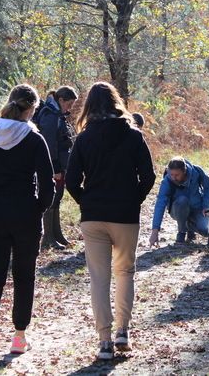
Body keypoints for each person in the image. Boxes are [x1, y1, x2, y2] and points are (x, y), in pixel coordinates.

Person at [65, 82, 156, 360]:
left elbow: (71, 180)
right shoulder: (133, 135)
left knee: (99, 279)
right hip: (125, 215)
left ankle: (104, 341)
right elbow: (149, 176)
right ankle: (123, 333)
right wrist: (133, 200)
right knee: (125, 273)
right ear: (117, 102)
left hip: (93, 216)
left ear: (90, 106)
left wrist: (86, 201)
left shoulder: (84, 138)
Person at [0, 84, 55, 365]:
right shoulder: (34, 138)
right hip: (25, 214)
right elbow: (47, 183)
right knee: (24, 275)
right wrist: (38, 208)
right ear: (32, 109)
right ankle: (18, 336)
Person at [36, 86, 78, 250]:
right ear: (61, 100)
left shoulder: (57, 115)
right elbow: (49, 144)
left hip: (59, 164)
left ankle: (57, 234)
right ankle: (47, 238)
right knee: (52, 199)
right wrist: (55, 169)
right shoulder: (50, 116)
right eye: (69, 103)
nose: (71, 107)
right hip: (54, 166)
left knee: (58, 197)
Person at [149, 157, 209, 246]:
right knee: (182, 200)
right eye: (171, 174)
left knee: (205, 231)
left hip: (197, 208)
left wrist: (206, 205)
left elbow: (208, 187)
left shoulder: (196, 172)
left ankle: (189, 227)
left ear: (184, 171)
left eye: (177, 175)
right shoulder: (167, 181)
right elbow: (160, 204)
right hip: (178, 209)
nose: (173, 178)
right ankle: (182, 232)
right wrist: (155, 231)